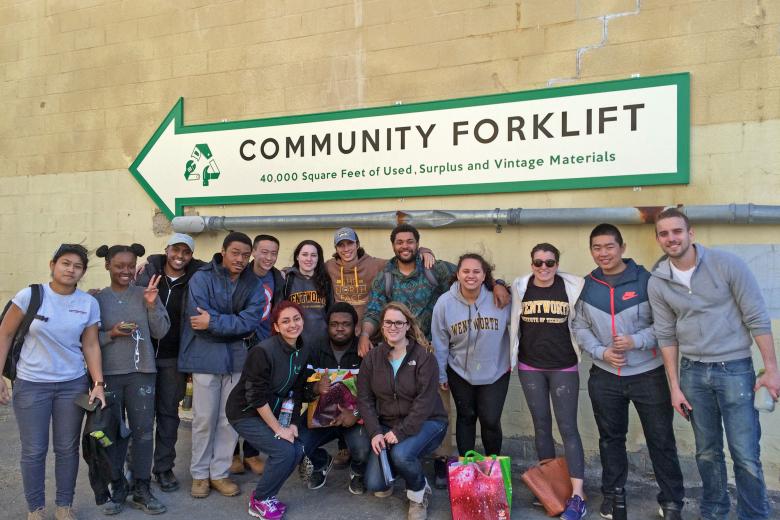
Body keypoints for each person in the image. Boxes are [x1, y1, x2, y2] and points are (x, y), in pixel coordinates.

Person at [648, 208, 780, 520]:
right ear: (658, 239)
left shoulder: (727, 264)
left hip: (735, 369)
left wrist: (771, 369)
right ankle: (715, 512)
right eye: (664, 233)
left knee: (745, 454)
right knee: (706, 453)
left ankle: (755, 514)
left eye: (677, 231)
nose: (671, 238)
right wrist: (675, 388)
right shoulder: (658, 281)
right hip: (693, 373)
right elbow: (666, 336)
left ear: (690, 233)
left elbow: (757, 318)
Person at [360, 224, 510, 488]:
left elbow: (472, 274)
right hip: (399, 348)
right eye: (400, 242)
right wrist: (364, 334)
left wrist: (498, 283)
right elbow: (373, 309)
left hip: (430, 351)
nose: (405, 246)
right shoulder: (385, 275)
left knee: (439, 407)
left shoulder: (435, 267)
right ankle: (408, 456)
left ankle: (443, 460)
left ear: (418, 243)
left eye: (410, 241)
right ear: (393, 245)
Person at [573, 224, 684, 520]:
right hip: (605, 375)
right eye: (597, 248)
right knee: (610, 438)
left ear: (622, 247)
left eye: (609, 246)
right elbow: (579, 326)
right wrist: (601, 352)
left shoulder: (647, 280)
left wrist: (637, 341)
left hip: (648, 374)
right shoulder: (586, 285)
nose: (603, 253)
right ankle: (613, 496)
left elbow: (665, 325)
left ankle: (672, 501)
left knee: (660, 438)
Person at [0, 244, 106, 520]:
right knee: (34, 450)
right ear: (52, 265)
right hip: (31, 384)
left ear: (82, 272)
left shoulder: (87, 304)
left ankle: (64, 506)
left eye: (77, 266)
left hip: (72, 385)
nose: (71, 269)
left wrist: (98, 383)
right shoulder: (30, 295)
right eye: (65, 263)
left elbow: (91, 345)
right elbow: (5, 335)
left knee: (66, 449)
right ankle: (35, 509)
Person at [178, 232, 265, 499]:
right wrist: (232, 324)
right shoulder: (202, 278)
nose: (240, 259)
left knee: (229, 420)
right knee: (204, 419)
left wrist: (215, 322)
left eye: (245, 254)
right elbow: (197, 322)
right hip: (205, 358)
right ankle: (200, 475)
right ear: (224, 251)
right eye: (235, 253)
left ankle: (219, 473)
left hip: (238, 359)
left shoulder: (253, 284)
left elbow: (250, 321)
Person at [509, 243, 587, 520]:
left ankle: (578, 496)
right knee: (541, 425)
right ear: (531, 264)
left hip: (563, 366)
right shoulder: (520, 286)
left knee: (568, 428)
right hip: (530, 366)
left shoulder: (572, 286)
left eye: (549, 263)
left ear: (557, 264)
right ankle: (548, 486)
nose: (544, 268)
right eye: (538, 263)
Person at [94, 243, 171, 515]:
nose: (125, 271)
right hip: (110, 375)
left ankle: (141, 487)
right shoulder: (97, 299)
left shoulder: (145, 293)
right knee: (112, 435)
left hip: (142, 374)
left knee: (142, 433)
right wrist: (111, 333)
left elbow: (161, 331)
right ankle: (118, 487)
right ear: (107, 266)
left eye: (130, 265)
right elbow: (88, 341)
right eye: (119, 266)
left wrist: (151, 305)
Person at [357, 302, 448, 520]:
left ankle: (418, 493)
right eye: (388, 322)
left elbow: (424, 403)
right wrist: (376, 432)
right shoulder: (372, 358)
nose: (393, 326)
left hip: (428, 421)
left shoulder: (424, 356)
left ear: (408, 325)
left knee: (402, 455)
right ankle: (398, 467)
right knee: (375, 484)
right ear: (382, 325)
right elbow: (365, 399)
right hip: (388, 424)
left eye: (399, 322)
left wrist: (401, 432)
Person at [226, 301, 309, 520]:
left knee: (297, 449)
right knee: (283, 451)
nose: (292, 324)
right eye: (285, 321)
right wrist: (278, 429)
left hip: (274, 410)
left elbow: (297, 391)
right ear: (277, 327)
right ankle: (259, 500)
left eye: (296, 318)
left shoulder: (302, 349)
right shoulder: (263, 351)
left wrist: (291, 424)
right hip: (245, 412)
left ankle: (268, 495)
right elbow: (255, 396)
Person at [136, 233, 205, 492]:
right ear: (166, 250)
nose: (179, 256)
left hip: (173, 358)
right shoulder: (148, 274)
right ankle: (137, 470)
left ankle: (163, 469)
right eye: (175, 250)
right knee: (141, 417)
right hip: (141, 356)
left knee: (168, 416)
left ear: (191, 256)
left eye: (186, 252)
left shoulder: (196, 279)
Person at [431, 253, 511, 456]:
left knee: (490, 420)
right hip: (460, 370)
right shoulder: (444, 303)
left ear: (485, 276)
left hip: (496, 370)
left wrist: (500, 284)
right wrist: (441, 373)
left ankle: (494, 469)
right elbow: (439, 341)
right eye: (465, 271)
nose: (471, 276)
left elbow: (519, 324)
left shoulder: (500, 298)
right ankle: (468, 472)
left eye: (476, 271)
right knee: (466, 416)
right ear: (457, 274)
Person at [298, 302, 370, 493]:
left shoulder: (365, 352)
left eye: (345, 324)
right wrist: (314, 388)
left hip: (354, 419)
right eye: (334, 323)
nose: (339, 328)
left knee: (362, 450)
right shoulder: (314, 349)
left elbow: (376, 394)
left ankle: (358, 471)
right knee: (297, 446)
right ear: (327, 326)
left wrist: (356, 412)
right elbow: (300, 388)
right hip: (320, 418)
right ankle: (322, 462)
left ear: (356, 328)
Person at [231, 234, 285, 476]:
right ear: (253, 251)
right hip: (239, 345)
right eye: (264, 252)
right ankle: (232, 454)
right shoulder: (240, 273)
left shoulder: (277, 278)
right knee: (236, 399)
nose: (269, 257)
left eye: (274, 253)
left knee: (260, 399)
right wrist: (154, 261)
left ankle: (252, 453)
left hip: (265, 345)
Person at [325, 226, 435, 328]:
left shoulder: (374, 264)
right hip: (342, 332)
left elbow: (403, 258)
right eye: (341, 245)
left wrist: (423, 251)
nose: (346, 249)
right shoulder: (329, 266)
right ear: (336, 248)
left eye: (350, 243)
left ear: (357, 245)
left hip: (369, 331)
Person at [282, 239, 334, 350]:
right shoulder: (287, 280)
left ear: (318, 258)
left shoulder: (325, 280)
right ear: (297, 257)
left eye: (313, 255)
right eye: (304, 254)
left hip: (321, 343)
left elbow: (330, 312)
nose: (309, 259)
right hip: (294, 342)